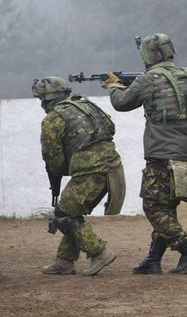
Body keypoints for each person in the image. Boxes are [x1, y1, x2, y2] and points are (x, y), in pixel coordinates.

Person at [103, 33, 187, 274]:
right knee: (166, 206)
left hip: (163, 155)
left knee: (154, 207)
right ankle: (153, 259)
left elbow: (122, 103)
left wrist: (113, 85)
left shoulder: (149, 79)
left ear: (148, 55)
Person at [33, 76, 123, 276]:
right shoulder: (86, 104)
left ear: (47, 99)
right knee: (70, 211)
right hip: (113, 167)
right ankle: (65, 260)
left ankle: (99, 252)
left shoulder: (53, 118)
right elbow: (111, 129)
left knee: (63, 214)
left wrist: (61, 171)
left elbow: (51, 156)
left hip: (90, 169)